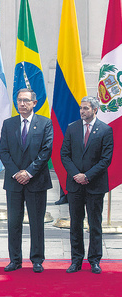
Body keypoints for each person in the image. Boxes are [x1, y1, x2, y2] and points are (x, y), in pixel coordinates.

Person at [0, 88, 53, 273]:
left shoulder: (45, 123)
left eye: (26, 101)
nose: (22, 104)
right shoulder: (8, 124)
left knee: (36, 222)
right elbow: (3, 151)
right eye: (19, 100)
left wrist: (28, 173)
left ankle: (37, 259)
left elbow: (46, 152)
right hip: (14, 182)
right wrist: (16, 173)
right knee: (14, 222)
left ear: (34, 103)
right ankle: (15, 260)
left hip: (36, 181)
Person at [61, 96, 113, 274]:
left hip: (94, 185)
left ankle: (94, 260)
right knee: (76, 223)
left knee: (94, 223)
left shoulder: (105, 130)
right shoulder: (72, 128)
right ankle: (76, 260)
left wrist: (87, 176)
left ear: (95, 110)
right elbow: (65, 154)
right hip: (75, 185)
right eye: (81, 108)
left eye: (86, 108)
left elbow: (106, 159)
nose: (82, 111)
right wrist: (76, 174)